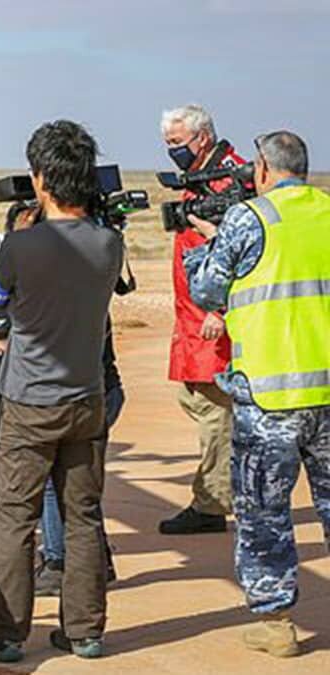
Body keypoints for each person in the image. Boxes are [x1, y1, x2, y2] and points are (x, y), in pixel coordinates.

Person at [0, 120, 122, 662]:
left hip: (29, 400)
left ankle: (7, 634)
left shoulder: (19, 246)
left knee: (15, 515)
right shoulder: (111, 243)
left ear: (40, 179)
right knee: (82, 514)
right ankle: (85, 631)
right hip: (87, 399)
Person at [185, 130, 330, 658]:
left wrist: (205, 242)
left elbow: (207, 290)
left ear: (264, 171)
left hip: (270, 398)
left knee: (265, 513)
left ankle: (276, 624)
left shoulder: (251, 219)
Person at [158, 104, 247, 535]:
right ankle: (229, 485)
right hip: (194, 318)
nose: (172, 151)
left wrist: (221, 309)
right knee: (196, 399)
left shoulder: (227, 182)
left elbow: (240, 248)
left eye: (177, 142)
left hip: (211, 319)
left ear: (203, 137)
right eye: (168, 144)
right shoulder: (205, 175)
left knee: (215, 408)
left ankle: (212, 502)